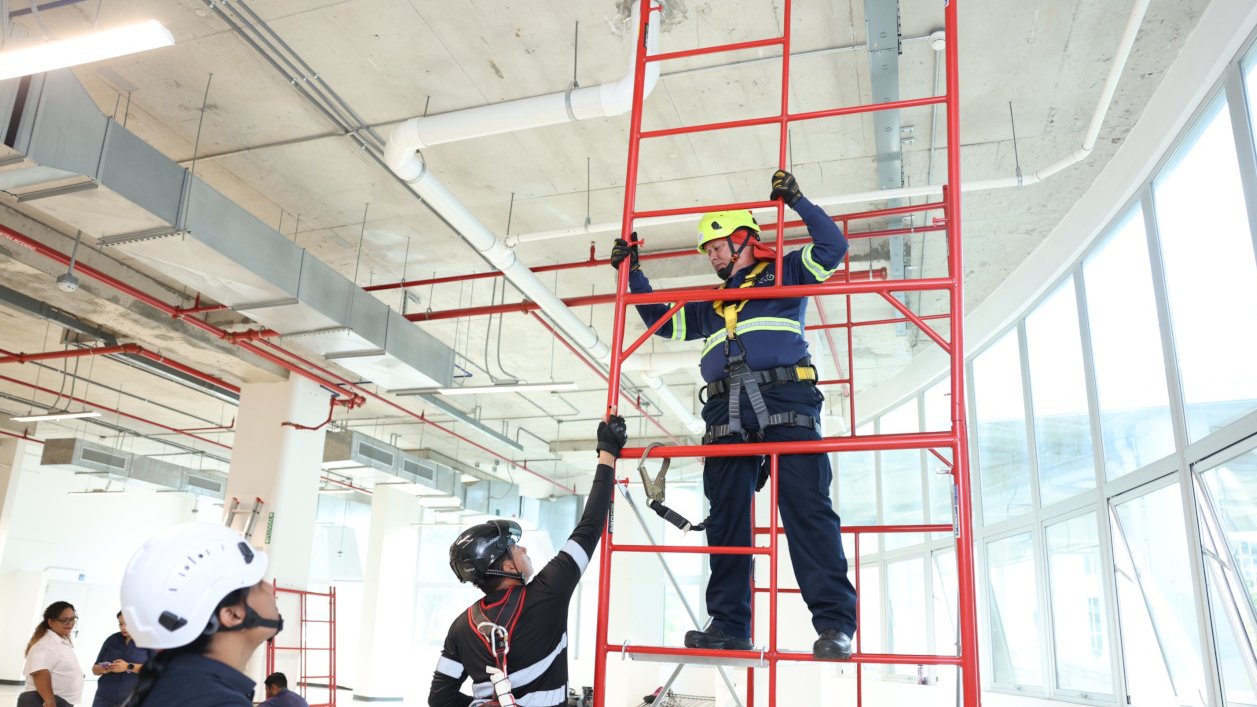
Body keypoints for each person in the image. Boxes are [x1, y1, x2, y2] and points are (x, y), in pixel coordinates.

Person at [609, 169, 858, 660]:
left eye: (718, 244)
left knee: (807, 511)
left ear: (745, 237)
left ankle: (834, 625)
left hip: (787, 403)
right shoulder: (711, 304)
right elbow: (662, 322)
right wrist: (631, 273)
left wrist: (799, 202)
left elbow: (833, 248)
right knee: (726, 519)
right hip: (726, 411)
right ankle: (729, 624)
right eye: (708, 250)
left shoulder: (784, 272)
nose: (713, 254)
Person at [429, 412, 627, 707]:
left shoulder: (461, 626)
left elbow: (439, 698)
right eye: (515, 548)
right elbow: (589, 527)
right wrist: (608, 451)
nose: (524, 551)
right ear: (507, 566)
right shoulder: (547, 592)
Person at [119, 522, 284, 706]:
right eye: (259, 584)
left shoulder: (174, 685)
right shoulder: (221, 702)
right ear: (232, 615)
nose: (270, 588)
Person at [20, 601, 84, 707]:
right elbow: (39, 673)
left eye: (72, 619)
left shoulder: (59, 640)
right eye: (64, 620)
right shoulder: (46, 644)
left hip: (58, 700)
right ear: (50, 622)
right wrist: (50, 702)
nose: (70, 624)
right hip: (43, 700)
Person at [90, 611, 154, 707]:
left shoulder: (148, 642)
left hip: (132, 699)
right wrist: (104, 668)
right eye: (121, 623)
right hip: (103, 697)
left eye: (127, 624)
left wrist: (128, 666)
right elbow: (95, 669)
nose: (123, 627)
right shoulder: (112, 639)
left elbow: (154, 670)